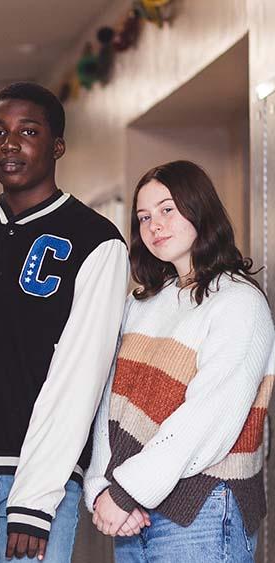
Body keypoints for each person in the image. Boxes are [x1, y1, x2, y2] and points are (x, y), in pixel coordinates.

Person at [0, 81, 129, 562]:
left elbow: (82, 376)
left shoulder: (96, 241)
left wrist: (36, 501)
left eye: (29, 131)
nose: (10, 144)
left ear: (57, 145)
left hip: (39, 480)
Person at [85, 160, 274, 562]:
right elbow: (108, 403)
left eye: (168, 209)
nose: (155, 225)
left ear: (199, 208)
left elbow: (209, 418)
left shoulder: (239, 302)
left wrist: (124, 491)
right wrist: (102, 486)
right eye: (144, 217)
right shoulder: (143, 302)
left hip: (202, 510)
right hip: (133, 512)